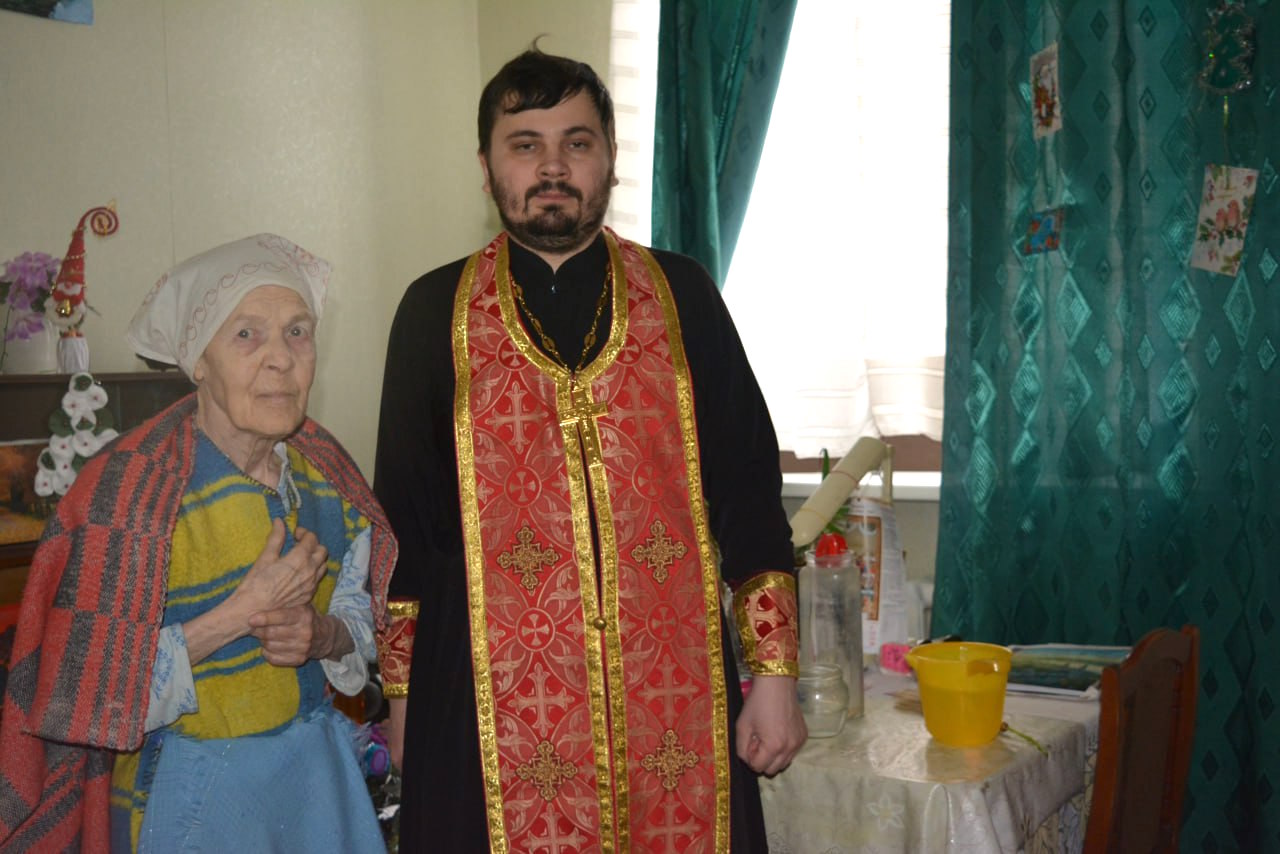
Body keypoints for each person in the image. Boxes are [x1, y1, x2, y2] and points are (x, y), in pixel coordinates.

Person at [374, 48, 805, 852]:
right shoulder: (433, 312)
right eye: (525, 144)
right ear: (486, 167)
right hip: (481, 707)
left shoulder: (683, 296)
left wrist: (775, 676)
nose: (552, 167)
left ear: (609, 158)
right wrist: (402, 703)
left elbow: (748, 491)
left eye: (576, 143)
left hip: (675, 699)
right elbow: (405, 528)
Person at [0, 234, 397, 852]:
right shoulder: (127, 495)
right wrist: (241, 613)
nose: (280, 358)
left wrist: (323, 636)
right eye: (246, 334)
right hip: (189, 797)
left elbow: (363, 621)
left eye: (297, 332)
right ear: (199, 362)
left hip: (316, 787)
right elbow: (91, 698)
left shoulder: (331, 478)